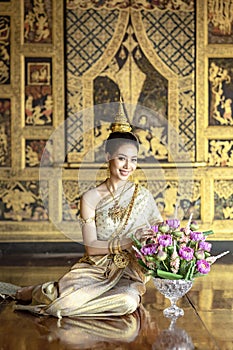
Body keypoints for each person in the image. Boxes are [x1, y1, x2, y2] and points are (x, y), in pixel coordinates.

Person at [0, 101, 162, 318]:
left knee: (127, 302)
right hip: (94, 269)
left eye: (133, 160)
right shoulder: (90, 198)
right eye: (122, 158)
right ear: (108, 158)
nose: (127, 166)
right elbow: (92, 249)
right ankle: (37, 293)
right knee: (62, 303)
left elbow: (159, 231)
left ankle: (64, 301)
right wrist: (130, 242)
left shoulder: (143, 196)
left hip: (128, 274)